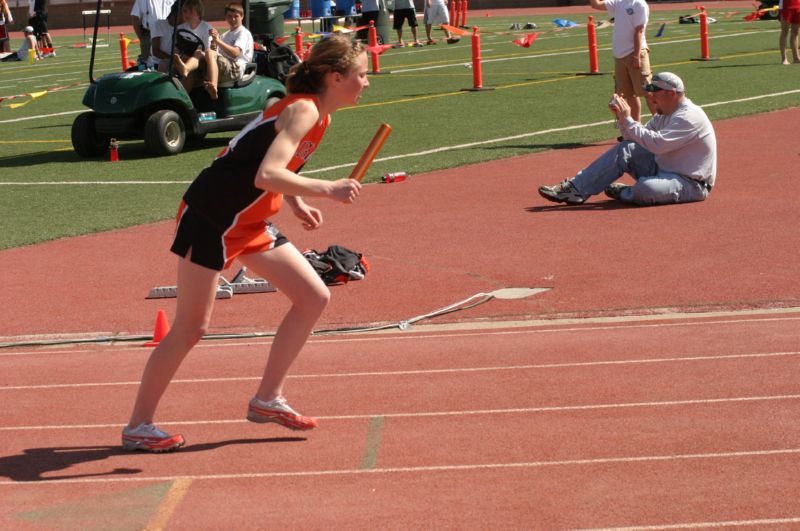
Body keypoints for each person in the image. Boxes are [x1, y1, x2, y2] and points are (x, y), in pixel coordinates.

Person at [121, 35, 369, 453]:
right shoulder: (304, 110)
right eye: (362, 75)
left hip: (249, 220)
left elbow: (269, 166)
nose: (367, 82)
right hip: (212, 217)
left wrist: (296, 201)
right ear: (336, 76)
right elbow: (266, 173)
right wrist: (328, 188)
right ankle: (138, 425)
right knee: (190, 328)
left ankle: (267, 399)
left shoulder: (317, 114)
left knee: (313, 296)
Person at [538, 72, 717, 207]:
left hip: (690, 183)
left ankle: (625, 192)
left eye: (656, 92)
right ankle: (575, 189)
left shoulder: (688, 116)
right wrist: (622, 119)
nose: (651, 97)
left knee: (646, 189)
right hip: (663, 167)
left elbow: (657, 145)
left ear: (672, 93)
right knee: (626, 149)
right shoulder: (664, 113)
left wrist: (629, 120)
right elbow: (637, 139)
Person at [589, 0, 652, 123]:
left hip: (635, 53)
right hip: (620, 56)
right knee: (629, 96)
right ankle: (635, 129)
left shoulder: (639, 4)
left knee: (647, 93)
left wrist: (636, 56)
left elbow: (639, 30)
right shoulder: (618, 2)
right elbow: (595, 4)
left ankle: (661, 127)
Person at [201, 2, 253, 100]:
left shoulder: (243, 33)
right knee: (198, 55)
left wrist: (218, 41)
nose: (233, 19)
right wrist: (213, 42)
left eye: (236, 16)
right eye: (230, 16)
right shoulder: (225, 35)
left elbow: (235, 53)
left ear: (242, 16)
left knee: (209, 54)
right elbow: (215, 52)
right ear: (226, 17)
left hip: (236, 67)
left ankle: (213, 87)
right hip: (224, 65)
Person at [171, 0, 214, 90]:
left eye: (190, 11)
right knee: (164, 63)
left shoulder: (206, 28)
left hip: (202, 59)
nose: (187, 14)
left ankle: (186, 70)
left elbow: (206, 50)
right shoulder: (180, 28)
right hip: (184, 57)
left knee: (197, 54)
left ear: (198, 13)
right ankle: (165, 92)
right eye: (185, 11)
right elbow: (176, 47)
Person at [778, 0, 800, 64]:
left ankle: (796, 58)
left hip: (798, 5)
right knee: (785, 31)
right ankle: (784, 59)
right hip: (786, 5)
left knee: (795, 32)